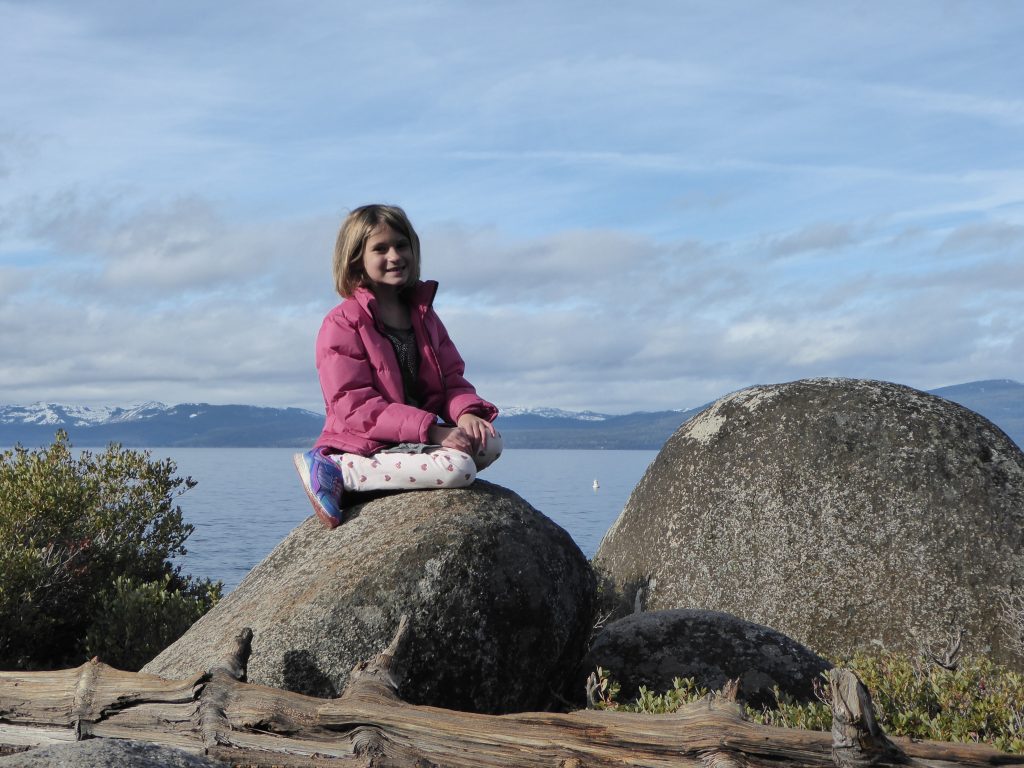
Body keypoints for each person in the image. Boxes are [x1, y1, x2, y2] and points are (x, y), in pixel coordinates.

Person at [294, 204, 502, 528]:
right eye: (380, 248)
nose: (394, 256)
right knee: (457, 468)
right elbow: (356, 407)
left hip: (409, 439)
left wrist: (466, 414)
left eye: (401, 245)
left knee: (489, 443)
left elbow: (451, 380)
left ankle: (377, 480)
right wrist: (433, 430)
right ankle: (337, 469)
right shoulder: (342, 323)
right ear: (355, 259)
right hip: (364, 442)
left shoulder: (424, 316)